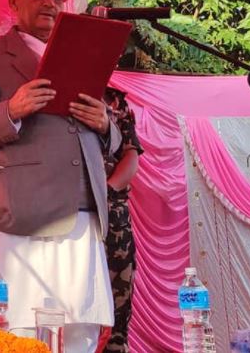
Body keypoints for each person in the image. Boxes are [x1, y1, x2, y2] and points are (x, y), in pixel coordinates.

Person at [0, 0, 121, 353]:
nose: (51, 3)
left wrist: (105, 124)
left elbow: (112, 142)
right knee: (20, 328)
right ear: (14, 3)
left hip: (84, 212)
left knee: (82, 326)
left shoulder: (83, 54)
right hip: (27, 214)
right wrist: (11, 109)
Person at [102, 87, 144, 353]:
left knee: (118, 305)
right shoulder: (57, 89)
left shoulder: (115, 101)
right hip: (65, 212)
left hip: (111, 212)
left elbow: (131, 155)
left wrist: (107, 191)